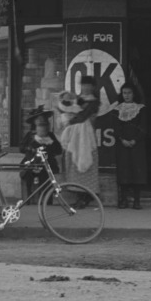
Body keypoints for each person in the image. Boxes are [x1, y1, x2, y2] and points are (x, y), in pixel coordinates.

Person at [56, 78, 103, 208]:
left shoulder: (94, 102)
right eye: (83, 85)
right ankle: (79, 196)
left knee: (85, 162)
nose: (85, 88)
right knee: (73, 164)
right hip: (74, 136)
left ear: (93, 87)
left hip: (86, 136)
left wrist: (70, 120)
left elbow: (84, 115)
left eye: (88, 85)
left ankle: (87, 196)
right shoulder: (77, 99)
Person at [113, 83, 147, 209]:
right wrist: (122, 139)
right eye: (124, 93)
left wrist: (135, 140)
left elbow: (143, 127)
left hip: (137, 145)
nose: (126, 95)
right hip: (122, 145)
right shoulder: (117, 109)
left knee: (137, 171)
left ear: (134, 94)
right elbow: (116, 128)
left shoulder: (141, 109)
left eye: (129, 93)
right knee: (124, 171)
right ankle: (123, 200)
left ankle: (137, 201)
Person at [18, 113, 64, 205]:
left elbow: (58, 150)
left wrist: (50, 146)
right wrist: (30, 149)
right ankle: (28, 200)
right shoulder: (30, 136)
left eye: (45, 126)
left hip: (47, 164)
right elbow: (21, 148)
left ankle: (46, 201)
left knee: (47, 178)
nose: (43, 129)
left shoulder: (51, 136)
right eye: (40, 126)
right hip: (31, 163)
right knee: (28, 175)